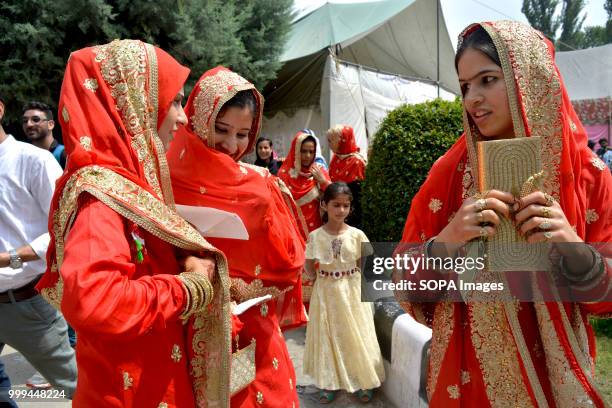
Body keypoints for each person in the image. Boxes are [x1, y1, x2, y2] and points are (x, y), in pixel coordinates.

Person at [394, 21, 611, 407]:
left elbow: (605, 299)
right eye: (464, 87)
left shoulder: (587, 176)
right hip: (468, 377)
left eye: (487, 80)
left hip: (554, 381)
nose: (471, 99)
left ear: (528, 77)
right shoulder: (452, 172)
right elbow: (401, 281)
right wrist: (448, 240)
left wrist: (573, 246)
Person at [35, 40, 233, 407]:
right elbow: (97, 302)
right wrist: (188, 288)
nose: (183, 116)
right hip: (128, 392)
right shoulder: (101, 199)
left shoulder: (126, 185)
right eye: (174, 101)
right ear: (132, 103)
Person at [167, 66, 307, 408]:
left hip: (248, 325)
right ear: (198, 118)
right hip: (182, 318)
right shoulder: (163, 175)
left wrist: (236, 288)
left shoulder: (262, 183)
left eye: (243, 134)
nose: (231, 145)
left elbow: (288, 264)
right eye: (221, 129)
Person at [0, 93, 76, 404]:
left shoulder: (34, 160)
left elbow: (64, 229)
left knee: (78, 387)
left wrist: (8, 258)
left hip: (27, 302)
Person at [303, 182, 384, 404]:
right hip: (326, 293)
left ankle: (363, 382)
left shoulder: (358, 235)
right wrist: (320, 269)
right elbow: (309, 270)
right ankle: (330, 383)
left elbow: (366, 265)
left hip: (352, 290)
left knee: (356, 335)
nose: (341, 210)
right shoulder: (315, 236)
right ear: (324, 205)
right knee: (328, 336)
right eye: (336, 205)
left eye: (346, 205)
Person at [278, 130, 332, 233]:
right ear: (296, 150)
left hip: (317, 231)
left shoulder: (319, 170)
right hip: (292, 230)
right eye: (303, 151)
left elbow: (335, 196)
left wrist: (323, 181)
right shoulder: (284, 174)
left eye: (311, 152)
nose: (308, 156)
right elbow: (279, 206)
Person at [327, 125, 367, 228]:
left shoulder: (357, 162)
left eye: (331, 141)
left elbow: (356, 195)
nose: (329, 145)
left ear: (342, 141)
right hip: (335, 211)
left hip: (351, 215)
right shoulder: (336, 158)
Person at [22, 101, 67, 168]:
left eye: (35, 119)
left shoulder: (64, 155)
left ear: (50, 124)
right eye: (25, 121)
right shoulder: (23, 157)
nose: (29, 124)